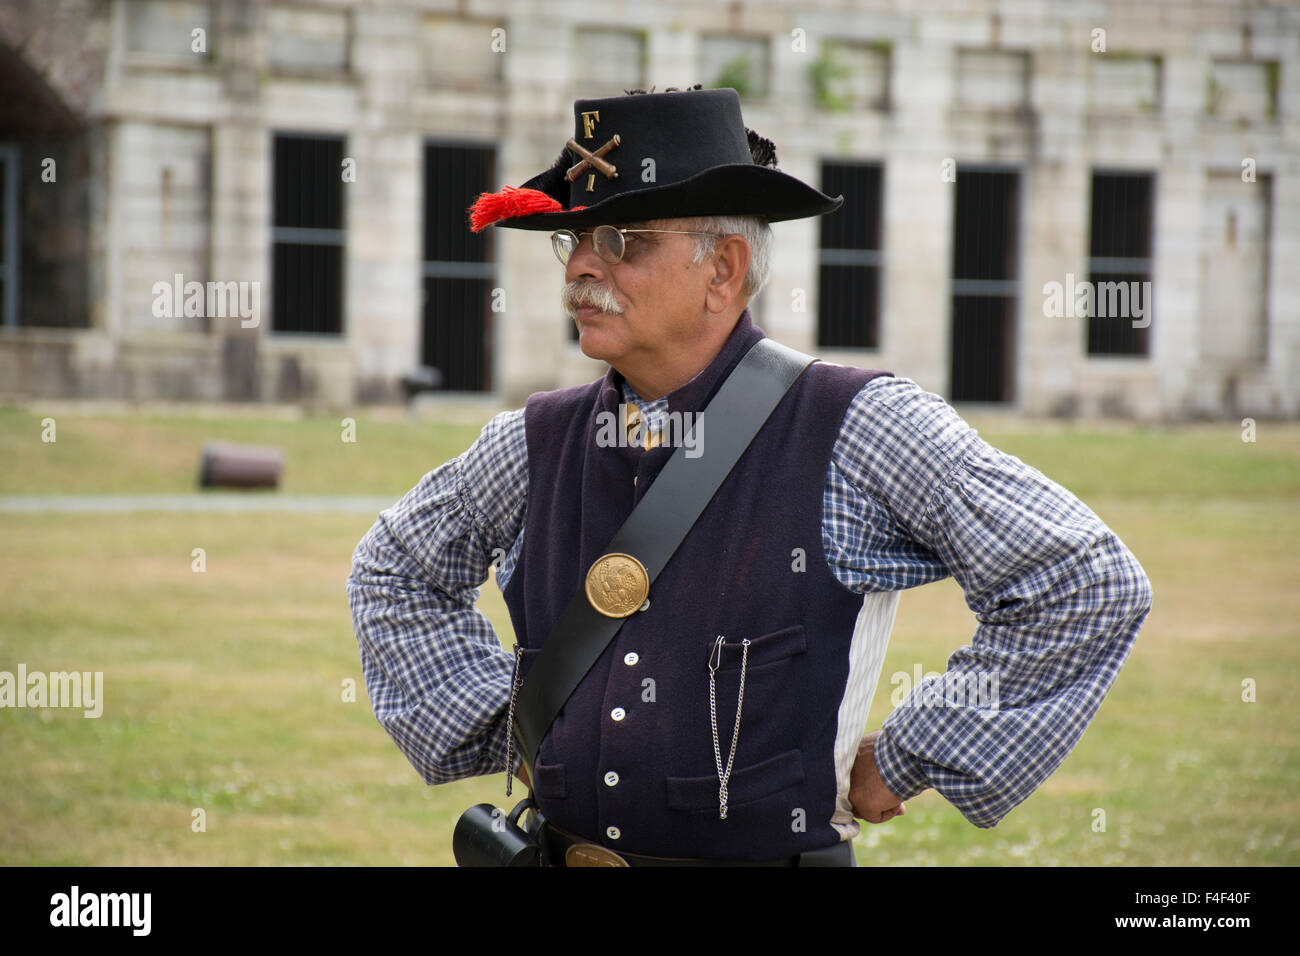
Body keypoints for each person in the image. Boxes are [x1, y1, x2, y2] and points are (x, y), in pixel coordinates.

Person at [346, 86, 1152, 866]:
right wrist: (514, 724)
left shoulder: (859, 425)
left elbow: (1083, 578)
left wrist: (910, 756)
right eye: (576, 239)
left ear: (723, 269)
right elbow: (395, 568)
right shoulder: (532, 441)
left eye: (623, 242)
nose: (581, 268)